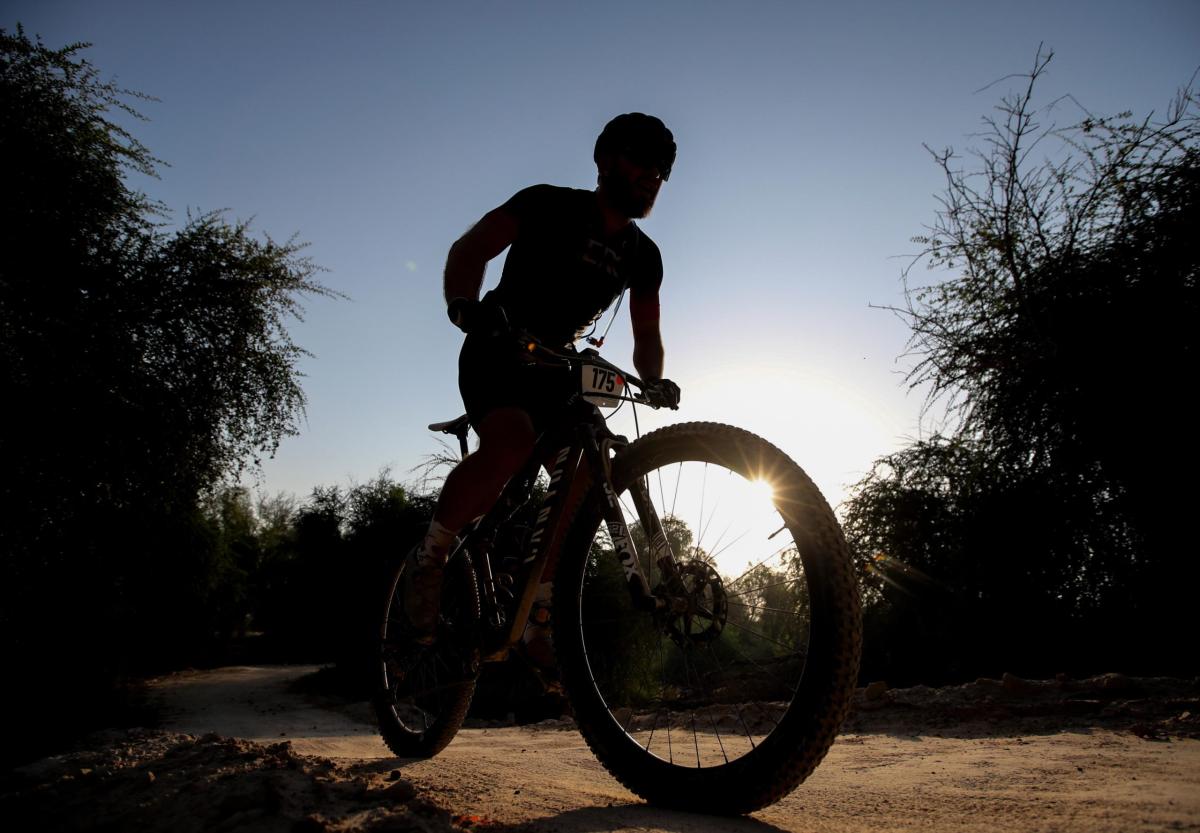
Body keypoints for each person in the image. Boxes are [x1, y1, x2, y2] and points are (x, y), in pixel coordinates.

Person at [404, 113, 682, 648]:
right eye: (642, 159)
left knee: (588, 467)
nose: (654, 174)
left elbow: (646, 331)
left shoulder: (644, 256)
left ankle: (542, 603)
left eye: (663, 168)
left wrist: (653, 381)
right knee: (510, 445)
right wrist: (465, 308)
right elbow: (470, 250)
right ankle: (431, 556)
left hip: (560, 366)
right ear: (604, 161)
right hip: (498, 346)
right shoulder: (546, 203)